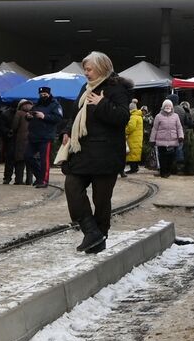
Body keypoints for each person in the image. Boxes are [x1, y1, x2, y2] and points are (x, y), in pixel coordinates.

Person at [61, 52, 132, 254]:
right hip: (82, 152)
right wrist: (67, 131)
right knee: (72, 187)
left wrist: (102, 104)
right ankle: (91, 231)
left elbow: (122, 117)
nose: (86, 73)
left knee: (101, 200)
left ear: (101, 68)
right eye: (85, 69)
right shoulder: (86, 88)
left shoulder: (117, 88)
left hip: (106, 154)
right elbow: (75, 115)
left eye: (89, 69)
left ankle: (100, 238)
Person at [26, 87, 63, 188]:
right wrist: (28, 116)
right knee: (28, 156)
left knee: (44, 160)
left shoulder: (55, 105)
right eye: (41, 95)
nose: (43, 96)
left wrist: (44, 116)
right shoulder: (37, 104)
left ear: (49, 94)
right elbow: (31, 115)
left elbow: (58, 118)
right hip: (34, 135)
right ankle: (39, 177)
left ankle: (44, 181)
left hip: (46, 136)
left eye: (45, 94)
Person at [151, 99, 186, 178]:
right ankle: (163, 172)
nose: (168, 107)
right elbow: (155, 129)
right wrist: (152, 140)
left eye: (169, 106)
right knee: (162, 157)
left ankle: (168, 171)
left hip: (172, 141)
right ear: (163, 107)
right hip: (161, 141)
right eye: (166, 106)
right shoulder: (158, 116)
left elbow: (179, 127)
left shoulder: (176, 116)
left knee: (171, 157)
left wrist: (181, 136)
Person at [6, 100, 32, 184]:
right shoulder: (33, 113)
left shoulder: (19, 113)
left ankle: (19, 180)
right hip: (32, 139)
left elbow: (14, 126)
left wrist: (12, 131)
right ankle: (29, 180)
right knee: (30, 162)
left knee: (20, 161)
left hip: (21, 139)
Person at [124, 103, 144, 175]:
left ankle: (133, 169)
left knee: (132, 153)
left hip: (133, 138)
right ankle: (135, 167)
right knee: (135, 153)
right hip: (137, 137)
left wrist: (125, 131)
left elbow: (131, 127)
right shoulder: (139, 116)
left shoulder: (133, 117)